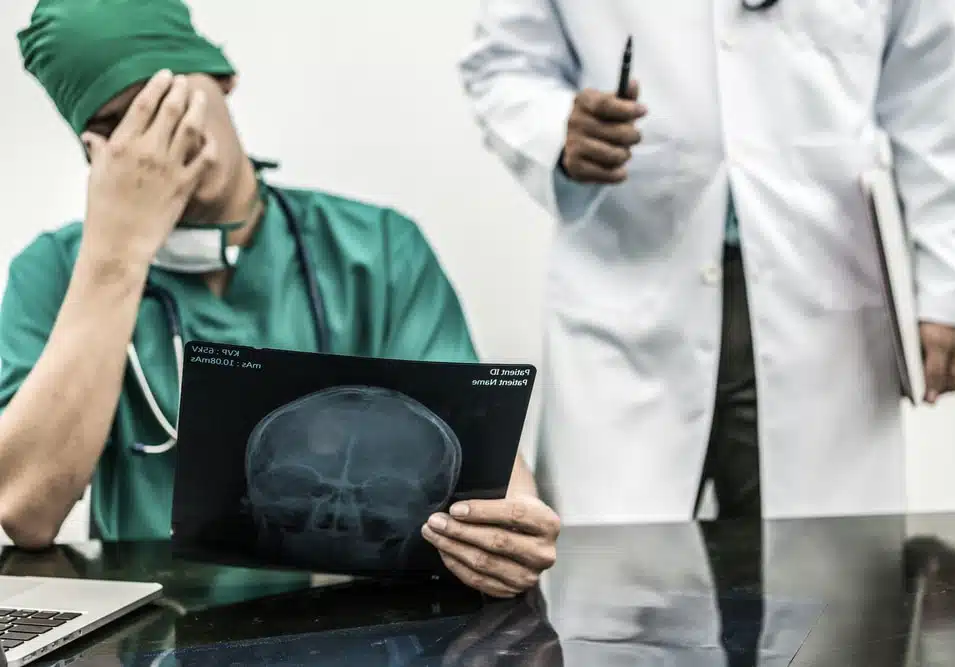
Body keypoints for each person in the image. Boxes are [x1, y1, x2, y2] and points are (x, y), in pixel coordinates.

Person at [0, 0, 559, 599]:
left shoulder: (377, 249)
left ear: (222, 77)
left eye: (164, 105)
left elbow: (483, 476)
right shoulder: (57, 272)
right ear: (94, 151)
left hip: (360, 628)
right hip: (148, 637)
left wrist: (504, 534)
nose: (161, 143)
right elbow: (26, 511)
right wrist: (116, 257)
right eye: (122, 127)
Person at [458, 0, 955, 523]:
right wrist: (558, 129)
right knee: (616, 583)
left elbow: (935, 97)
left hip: (828, 299)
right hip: (631, 287)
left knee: (830, 587)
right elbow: (504, 64)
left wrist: (950, 287)